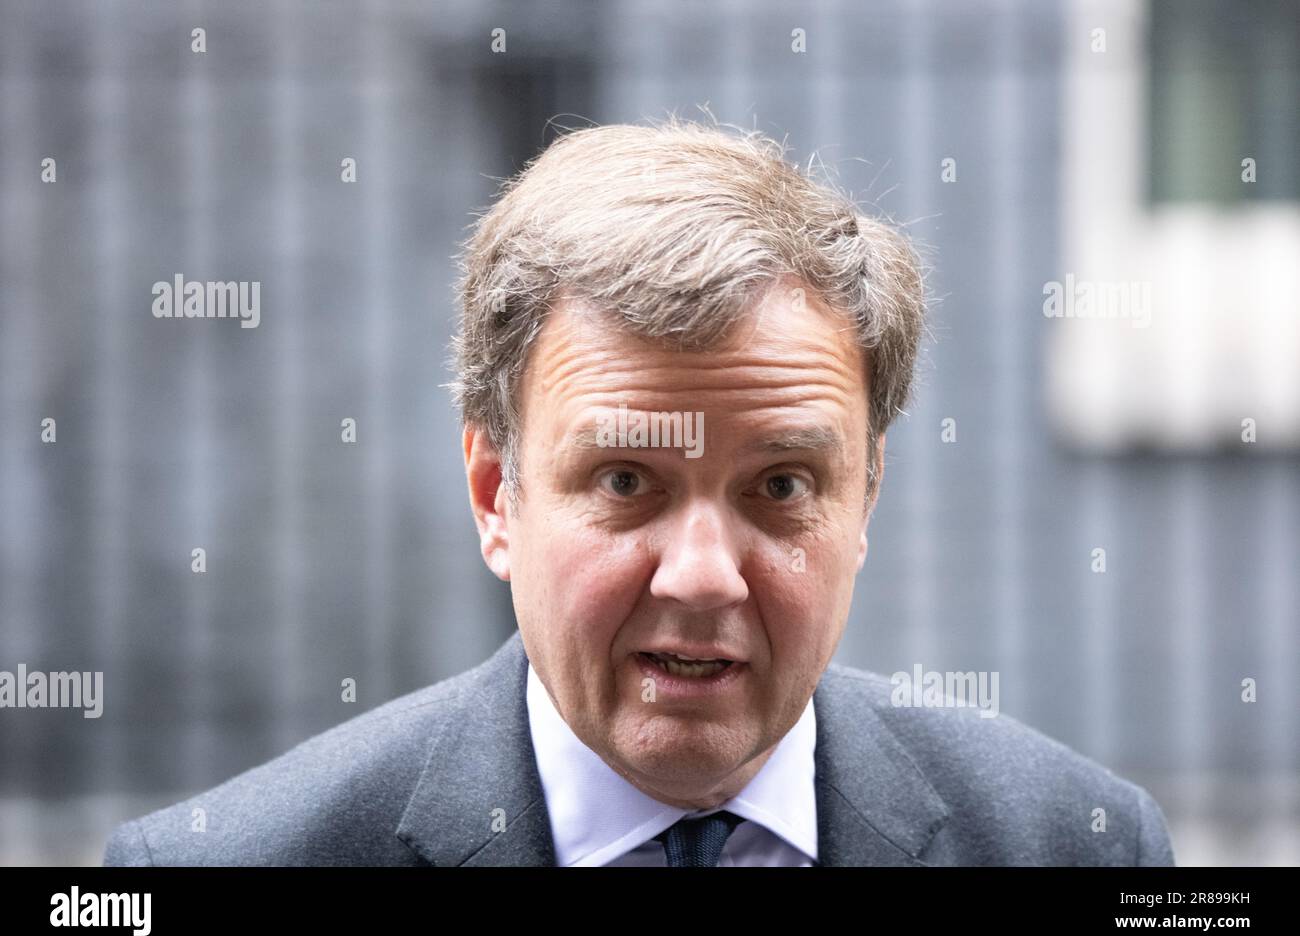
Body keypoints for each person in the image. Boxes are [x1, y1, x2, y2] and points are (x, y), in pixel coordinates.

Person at [103, 118, 1175, 866]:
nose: (703, 574)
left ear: (866, 500)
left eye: (781, 483)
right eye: (626, 480)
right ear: (495, 493)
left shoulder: (1075, 844)